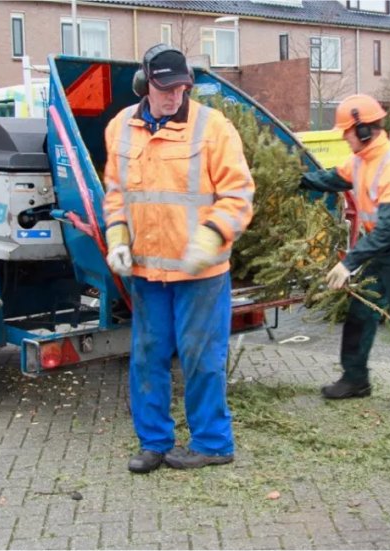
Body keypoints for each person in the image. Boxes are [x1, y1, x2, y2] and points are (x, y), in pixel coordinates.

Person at [102, 44, 255, 473]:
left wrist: (211, 236)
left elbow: (239, 194)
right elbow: (115, 193)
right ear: (145, 84)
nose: (174, 96)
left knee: (201, 357)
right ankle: (153, 443)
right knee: (147, 358)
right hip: (148, 272)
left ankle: (212, 443)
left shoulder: (213, 128)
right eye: (165, 88)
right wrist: (117, 236)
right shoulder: (120, 128)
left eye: (182, 88)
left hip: (201, 272)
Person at [299, 94, 390, 400]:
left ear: (362, 130)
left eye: (346, 131)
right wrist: (300, 181)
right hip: (379, 245)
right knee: (360, 311)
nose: (344, 138)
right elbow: (334, 177)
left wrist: (348, 263)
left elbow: (389, 228)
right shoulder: (360, 160)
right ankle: (355, 379)